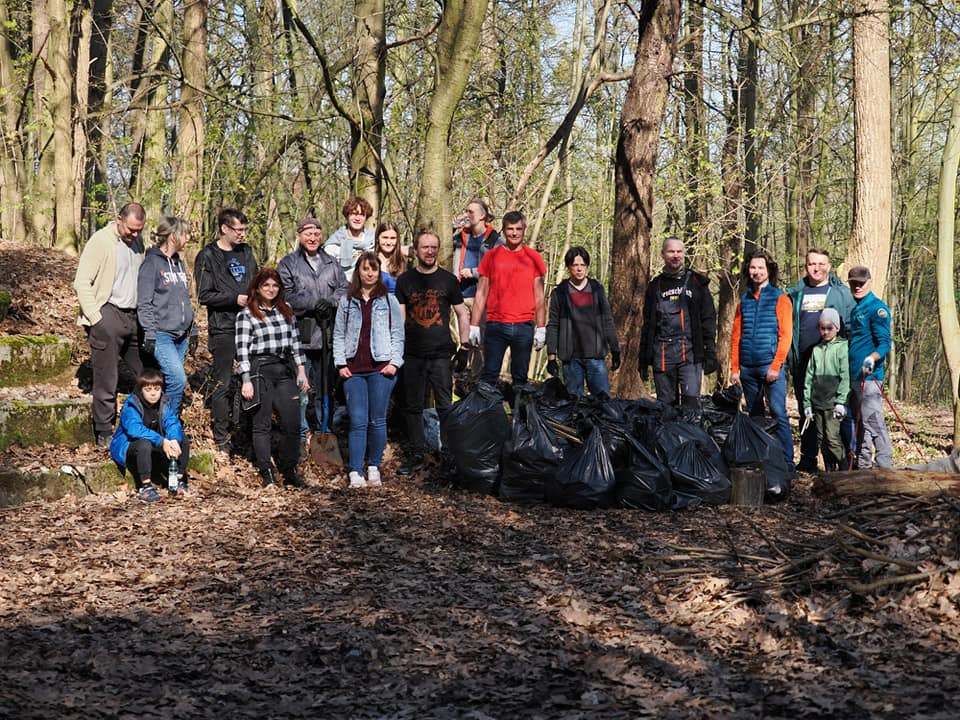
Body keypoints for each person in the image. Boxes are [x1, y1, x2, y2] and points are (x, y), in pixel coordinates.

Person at [73, 202, 147, 447]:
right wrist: (96, 319)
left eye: (139, 230)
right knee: (107, 377)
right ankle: (104, 430)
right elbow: (82, 281)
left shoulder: (138, 243)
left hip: (133, 317)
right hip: (108, 313)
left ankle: (143, 422)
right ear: (119, 219)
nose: (135, 234)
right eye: (131, 229)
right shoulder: (101, 241)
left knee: (145, 374)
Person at [395, 230, 469, 475]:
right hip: (412, 354)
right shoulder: (405, 281)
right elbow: (400, 319)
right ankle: (417, 453)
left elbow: (461, 313)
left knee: (445, 405)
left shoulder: (448, 280)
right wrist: (397, 350)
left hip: (441, 354)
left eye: (433, 247)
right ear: (415, 250)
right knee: (412, 406)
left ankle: (449, 454)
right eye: (424, 247)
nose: (429, 251)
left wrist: (465, 346)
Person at [333, 252, 404, 489]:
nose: (370, 273)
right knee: (358, 420)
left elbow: (397, 334)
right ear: (358, 272)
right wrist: (341, 363)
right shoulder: (347, 300)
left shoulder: (388, 300)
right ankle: (355, 470)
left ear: (379, 272)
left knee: (377, 420)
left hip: (381, 368)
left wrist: (394, 363)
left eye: (374, 269)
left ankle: (373, 466)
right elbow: (339, 334)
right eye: (365, 269)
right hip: (353, 369)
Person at [236, 268, 310, 487]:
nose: (270, 289)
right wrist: (246, 379)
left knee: (292, 421)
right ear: (258, 288)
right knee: (262, 424)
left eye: (275, 285)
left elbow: (296, 344)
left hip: (282, 367)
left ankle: (289, 469)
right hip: (259, 369)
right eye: (266, 285)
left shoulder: (285, 310)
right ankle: (266, 472)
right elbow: (242, 350)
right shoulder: (247, 314)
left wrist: (301, 370)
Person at [278, 217, 349, 440]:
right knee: (301, 387)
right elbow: (284, 295)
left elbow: (344, 288)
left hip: (327, 333)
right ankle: (300, 431)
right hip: (301, 333)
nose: (313, 238)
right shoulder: (288, 263)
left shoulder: (332, 263)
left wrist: (331, 302)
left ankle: (324, 429)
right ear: (299, 235)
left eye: (317, 234)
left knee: (325, 386)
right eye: (308, 234)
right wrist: (312, 302)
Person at [194, 208, 259, 451]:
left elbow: (257, 283)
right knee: (222, 382)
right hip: (223, 327)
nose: (242, 234)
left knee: (252, 379)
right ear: (224, 228)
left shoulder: (247, 252)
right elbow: (204, 294)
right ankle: (221, 436)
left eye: (245, 230)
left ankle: (248, 432)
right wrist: (235, 299)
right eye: (238, 230)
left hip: (251, 325)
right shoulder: (207, 255)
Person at [787, 248, 855, 471]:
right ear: (805, 266)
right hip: (803, 363)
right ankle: (808, 458)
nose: (816, 268)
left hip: (832, 367)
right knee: (807, 412)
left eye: (821, 264)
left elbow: (853, 327)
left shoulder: (841, 293)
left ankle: (842, 460)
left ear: (829, 265)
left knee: (836, 413)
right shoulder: (795, 294)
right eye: (811, 264)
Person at [730, 250, 794, 470]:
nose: (756, 272)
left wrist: (776, 366)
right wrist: (735, 368)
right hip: (747, 369)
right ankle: (761, 459)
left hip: (770, 367)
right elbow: (736, 336)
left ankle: (786, 462)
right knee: (755, 416)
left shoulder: (780, 298)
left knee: (778, 412)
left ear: (769, 271)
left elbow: (785, 336)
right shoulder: (744, 300)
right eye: (753, 268)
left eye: (761, 268)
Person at [468, 211, 546, 389]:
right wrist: (474, 325)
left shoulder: (533, 258)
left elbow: (540, 296)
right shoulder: (491, 256)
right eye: (510, 229)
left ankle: (518, 416)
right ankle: (488, 415)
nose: (514, 233)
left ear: (524, 229)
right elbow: (481, 292)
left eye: (518, 229)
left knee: (520, 378)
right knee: (489, 375)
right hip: (496, 324)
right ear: (503, 230)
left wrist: (541, 328)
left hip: (524, 325)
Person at [637, 236, 718, 409]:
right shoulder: (654, 286)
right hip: (663, 355)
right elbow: (648, 325)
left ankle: (691, 436)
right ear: (663, 255)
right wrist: (644, 358)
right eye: (671, 251)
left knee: (691, 405)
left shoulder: (697, 283)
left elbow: (709, 319)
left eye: (679, 251)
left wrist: (710, 351)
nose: (675, 255)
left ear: (684, 253)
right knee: (666, 408)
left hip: (690, 354)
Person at [137, 216, 197, 416]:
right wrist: (150, 332)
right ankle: (168, 425)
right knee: (178, 379)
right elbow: (144, 301)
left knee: (169, 380)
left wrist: (193, 329)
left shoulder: (179, 263)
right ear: (173, 236)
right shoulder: (152, 263)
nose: (188, 238)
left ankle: (165, 423)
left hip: (182, 335)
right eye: (185, 234)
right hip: (162, 334)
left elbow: (185, 299)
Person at [545, 246, 620, 397]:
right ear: (568, 267)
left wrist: (615, 349)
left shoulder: (596, 289)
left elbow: (607, 319)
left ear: (587, 266)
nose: (579, 269)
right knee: (573, 404)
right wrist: (551, 356)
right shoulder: (560, 292)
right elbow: (553, 325)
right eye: (575, 265)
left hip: (595, 357)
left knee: (602, 403)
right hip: (571, 359)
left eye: (582, 265)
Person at [109, 368, 189, 503]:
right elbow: (134, 430)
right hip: (128, 446)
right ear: (141, 390)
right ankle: (145, 487)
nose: (153, 394)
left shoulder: (163, 403)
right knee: (144, 443)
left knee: (182, 438)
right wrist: (161, 440)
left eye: (157, 389)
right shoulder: (131, 405)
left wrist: (174, 439)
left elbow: (172, 422)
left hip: (155, 445)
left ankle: (177, 479)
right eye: (148, 390)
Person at [847, 265, 893, 469]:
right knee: (861, 424)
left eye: (861, 283)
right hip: (855, 376)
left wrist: (872, 358)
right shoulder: (857, 307)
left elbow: (884, 343)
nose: (857, 287)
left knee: (874, 422)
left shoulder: (877, 308)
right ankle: (863, 466)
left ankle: (885, 466)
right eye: (853, 283)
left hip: (870, 378)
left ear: (869, 282)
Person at [802, 308, 850, 472]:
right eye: (822, 328)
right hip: (817, 402)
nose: (826, 331)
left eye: (830, 328)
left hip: (833, 403)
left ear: (836, 327)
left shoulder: (842, 347)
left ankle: (844, 466)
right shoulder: (816, 350)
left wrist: (841, 402)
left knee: (832, 437)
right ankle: (829, 469)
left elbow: (845, 377)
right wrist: (807, 403)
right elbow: (809, 378)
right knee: (821, 438)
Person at [452, 198, 501, 302]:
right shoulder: (460, 237)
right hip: (461, 299)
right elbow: (438, 245)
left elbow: (499, 270)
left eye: (470, 212)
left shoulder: (495, 240)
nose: (466, 215)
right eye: (465, 211)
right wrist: (452, 228)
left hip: (485, 300)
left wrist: (473, 272)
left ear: (482, 216)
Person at [324, 196, 375, 276]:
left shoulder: (374, 242)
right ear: (347, 216)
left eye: (362, 215)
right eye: (354, 214)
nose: (357, 218)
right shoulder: (334, 245)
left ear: (366, 217)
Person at [375, 221, 409, 294]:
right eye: (385, 237)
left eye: (392, 238)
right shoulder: (370, 261)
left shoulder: (402, 262)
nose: (388, 242)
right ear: (378, 238)